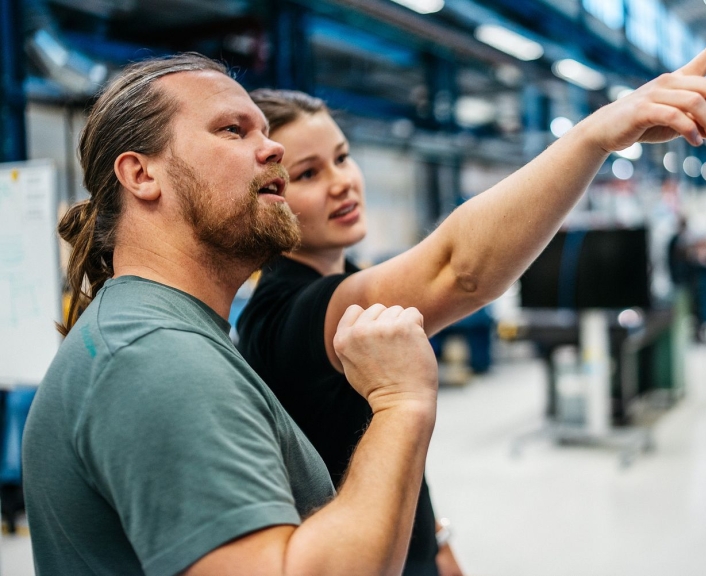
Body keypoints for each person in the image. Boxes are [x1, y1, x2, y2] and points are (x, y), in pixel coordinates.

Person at [237, 20, 706, 576]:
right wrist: (595, 137)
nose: (341, 181)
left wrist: (437, 541)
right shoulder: (287, 315)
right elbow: (459, 270)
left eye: (342, 157)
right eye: (308, 174)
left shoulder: (347, 280)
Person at [22, 53, 440, 576]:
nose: (274, 148)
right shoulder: (156, 359)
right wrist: (402, 403)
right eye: (233, 130)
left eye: (264, 130)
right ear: (141, 174)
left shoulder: (163, 337)